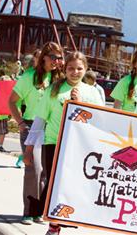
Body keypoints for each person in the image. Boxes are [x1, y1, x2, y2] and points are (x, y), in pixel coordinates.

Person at [24, 51, 104, 235]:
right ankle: (53, 226)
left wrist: (80, 103)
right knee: (55, 184)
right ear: (65, 69)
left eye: (79, 68)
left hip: (79, 146)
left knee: (69, 185)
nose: (75, 72)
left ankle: (61, 221)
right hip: (54, 143)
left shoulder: (92, 92)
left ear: (85, 69)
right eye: (71, 68)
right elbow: (40, 120)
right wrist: (29, 148)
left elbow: (100, 120)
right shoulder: (54, 90)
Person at [8, 42, 64, 225]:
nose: (56, 61)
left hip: (52, 128)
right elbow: (12, 101)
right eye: (53, 57)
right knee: (33, 169)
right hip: (32, 126)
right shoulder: (29, 77)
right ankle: (28, 211)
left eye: (59, 57)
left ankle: (38, 210)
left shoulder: (59, 80)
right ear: (44, 58)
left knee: (46, 172)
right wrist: (21, 122)